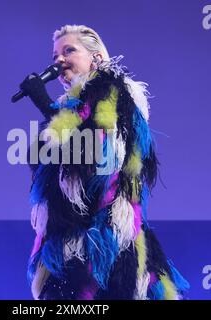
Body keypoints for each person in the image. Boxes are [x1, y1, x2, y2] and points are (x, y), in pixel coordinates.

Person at [20, 24, 189, 300]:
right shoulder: (71, 108)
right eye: (54, 56)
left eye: (69, 50)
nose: (59, 60)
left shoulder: (111, 93)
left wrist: (44, 104)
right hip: (72, 244)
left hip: (105, 247)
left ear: (96, 57)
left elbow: (92, 153)